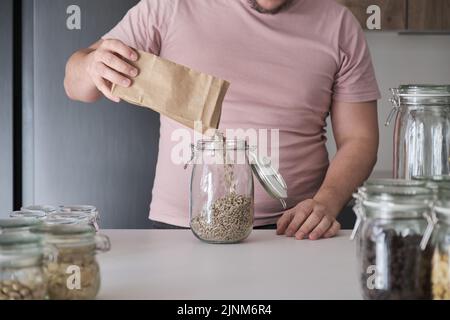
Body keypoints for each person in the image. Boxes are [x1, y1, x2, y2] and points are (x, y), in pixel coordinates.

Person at [64, 0, 380, 240]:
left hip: (294, 230)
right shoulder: (169, 7)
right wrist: (90, 65)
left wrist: (326, 203)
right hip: (181, 229)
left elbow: (360, 138)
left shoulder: (339, 24)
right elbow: (76, 86)